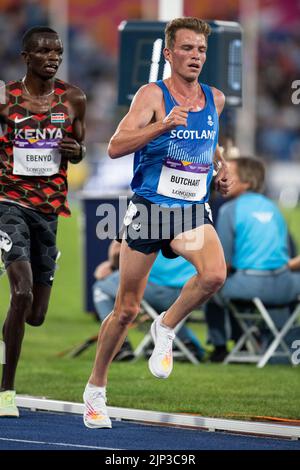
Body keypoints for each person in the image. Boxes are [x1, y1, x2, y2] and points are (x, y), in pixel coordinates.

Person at [83, 17, 231, 429]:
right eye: (186, 49)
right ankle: (96, 388)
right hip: (150, 209)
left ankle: (166, 326)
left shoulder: (215, 99)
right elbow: (114, 147)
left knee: (215, 275)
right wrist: (162, 124)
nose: (195, 56)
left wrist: (220, 170)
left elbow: (210, 145)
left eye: (201, 50)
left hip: (189, 209)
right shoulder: (152, 95)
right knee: (126, 309)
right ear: (169, 54)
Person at [0, 26, 86, 417]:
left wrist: (77, 148)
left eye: (58, 52)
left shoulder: (73, 99)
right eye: (44, 51)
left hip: (50, 209)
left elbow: (80, 148)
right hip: (9, 203)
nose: (53, 57)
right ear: (26, 57)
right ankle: (6, 391)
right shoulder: (5, 99)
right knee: (21, 293)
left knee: (35, 315)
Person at [205, 156, 300, 361]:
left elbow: (224, 263)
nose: (222, 178)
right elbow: (290, 253)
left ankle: (220, 347)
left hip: (249, 286)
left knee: (209, 285)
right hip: (286, 287)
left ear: (247, 182)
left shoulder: (230, 210)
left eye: (229, 174)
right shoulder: (275, 209)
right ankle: (274, 338)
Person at [93, 241, 205, 361]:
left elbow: (117, 250)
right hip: (192, 289)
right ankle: (185, 342)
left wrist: (112, 266)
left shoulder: (149, 222)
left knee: (101, 287)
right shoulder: (198, 223)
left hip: (153, 285)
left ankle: (118, 346)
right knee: (161, 311)